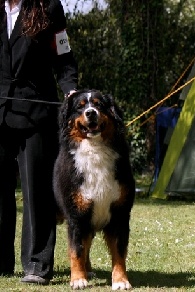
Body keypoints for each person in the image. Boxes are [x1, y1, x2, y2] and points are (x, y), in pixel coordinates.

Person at [0, 0, 77, 285]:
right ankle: (1, 260)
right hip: (0, 113)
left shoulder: (49, 7)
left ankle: (37, 263)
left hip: (35, 113)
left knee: (37, 193)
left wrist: (70, 89)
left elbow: (64, 55)